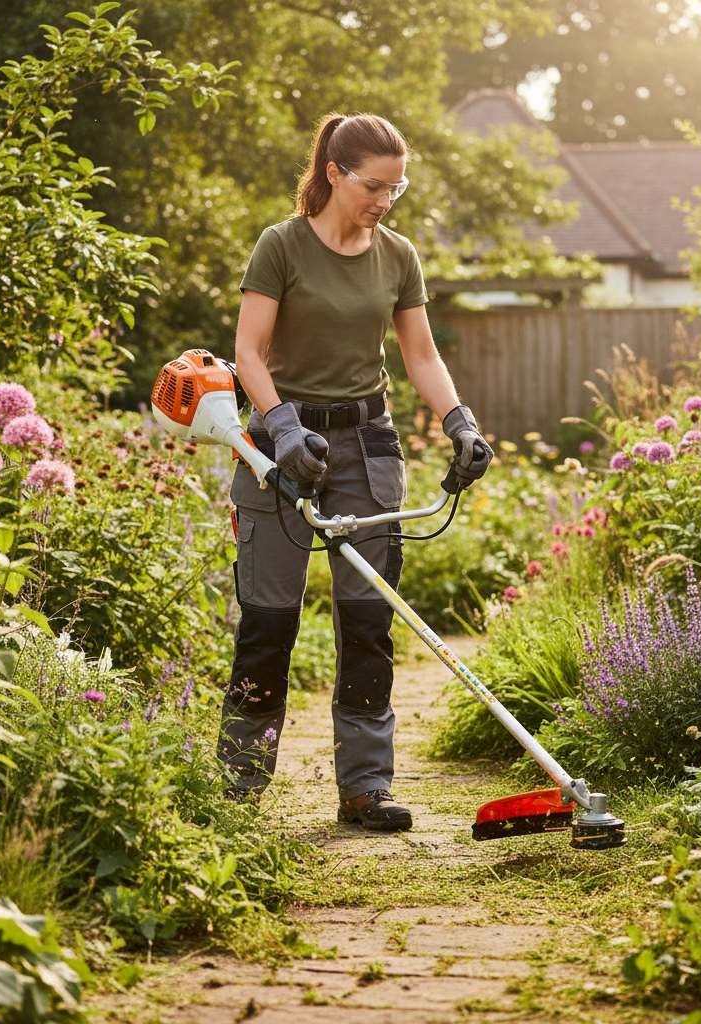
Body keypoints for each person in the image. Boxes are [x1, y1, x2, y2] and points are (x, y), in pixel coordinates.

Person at [219, 112, 492, 831]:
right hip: (279, 441)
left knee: (368, 622)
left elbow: (422, 357)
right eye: (375, 185)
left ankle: (366, 786)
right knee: (268, 622)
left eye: (397, 189)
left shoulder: (397, 255)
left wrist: (458, 420)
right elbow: (249, 352)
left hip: (366, 444)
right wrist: (280, 425)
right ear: (335, 174)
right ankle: (239, 787)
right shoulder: (281, 246)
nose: (385, 200)